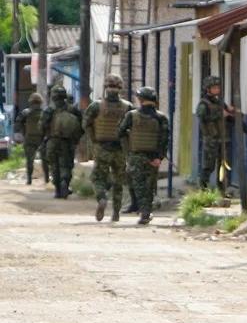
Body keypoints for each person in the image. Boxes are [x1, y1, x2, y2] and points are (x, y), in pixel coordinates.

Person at [83, 74, 133, 222]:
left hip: (102, 147)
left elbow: (86, 124)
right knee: (118, 181)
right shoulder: (128, 106)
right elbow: (133, 128)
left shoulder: (96, 106)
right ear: (120, 88)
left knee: (98, 177)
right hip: (120, 149)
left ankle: (102, 199)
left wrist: (94, 140)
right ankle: (116, 212)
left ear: (106, 87)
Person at [119, 87, 170, 225]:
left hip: (136, 155)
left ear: (140, 100)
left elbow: (121, 132)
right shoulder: (161, 117)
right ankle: (146, 211)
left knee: (138, 185)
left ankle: (144, 212)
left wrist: (128, 150)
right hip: (153, 157)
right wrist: (159, 157)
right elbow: (165, 139)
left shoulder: (131, 115)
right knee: (149, 186)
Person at [40, 86, 83, 198]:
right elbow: (81, 125)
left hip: (52, 141)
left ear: (53, 97)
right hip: (67, 142)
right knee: (66, 165)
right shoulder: (73, 109)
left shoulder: (49, 110)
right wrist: (76, 139)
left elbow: (41, 127)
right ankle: (65, 183)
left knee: (54, 166)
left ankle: (58, 190)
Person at [196, 76, 233, 194]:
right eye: (214, 88)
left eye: (218, 87)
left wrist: (231, 113)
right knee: (208, 166)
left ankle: (222, 190)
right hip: (211, 139)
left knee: (223, 165)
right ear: (208, 89)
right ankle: (204, 190)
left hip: (223, 139)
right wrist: (218, 115)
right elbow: (202, 117)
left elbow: (228, 112)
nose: (217, 90)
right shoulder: (203, 103)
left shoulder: (220, 102)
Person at [14, 93, 46, 185]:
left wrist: (21, 133)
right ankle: (47, 179)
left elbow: (17, 124)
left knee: (29, 160)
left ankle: (29, 179)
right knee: (45, 160)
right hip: (42, 139)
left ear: (31, 102)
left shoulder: (26, 112)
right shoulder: (44, 113)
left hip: (29, 138)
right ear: (40, 102)